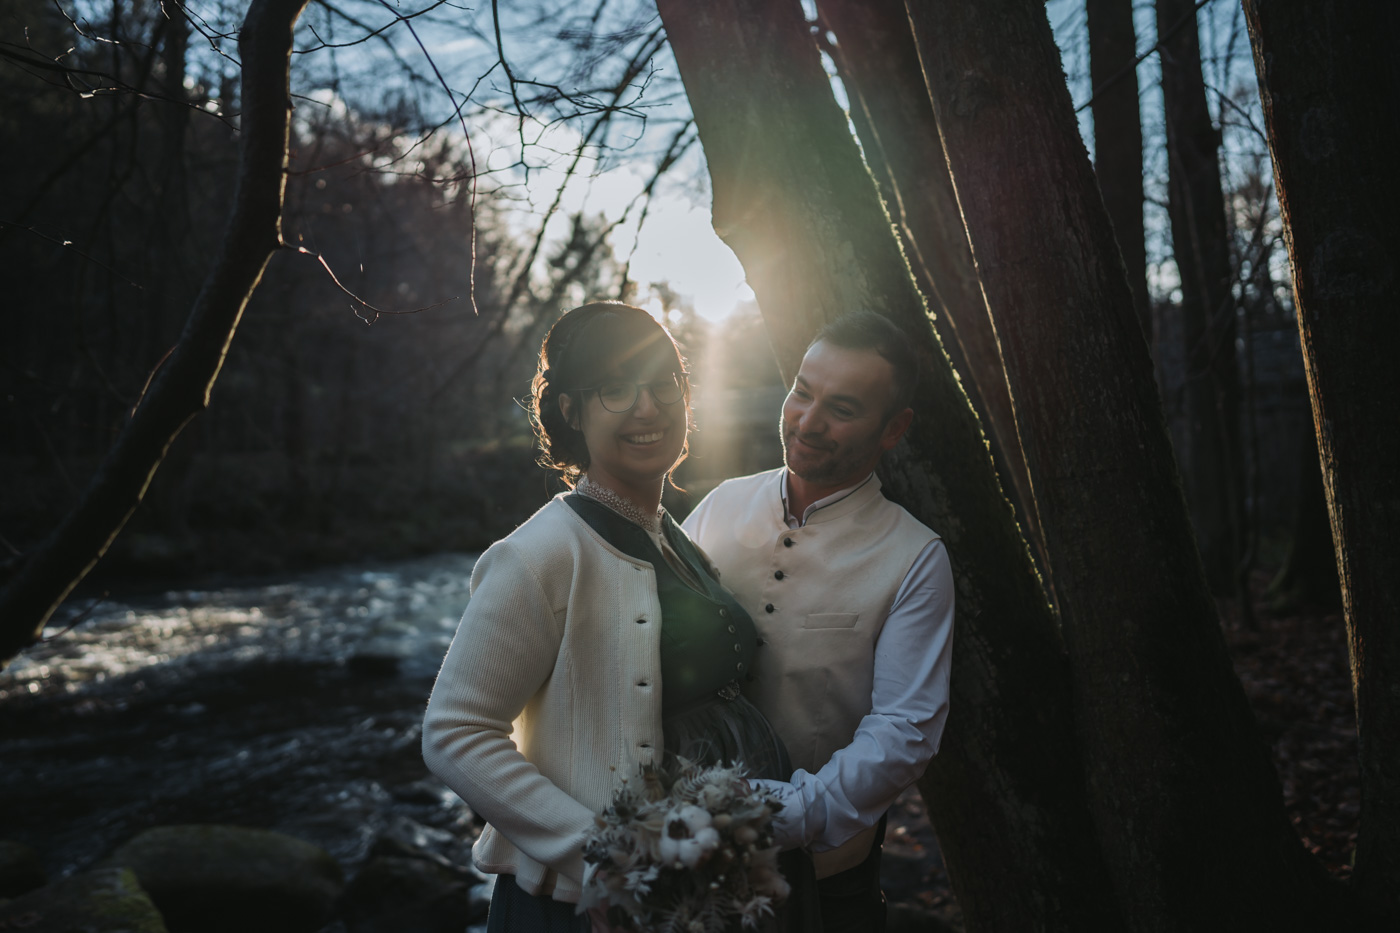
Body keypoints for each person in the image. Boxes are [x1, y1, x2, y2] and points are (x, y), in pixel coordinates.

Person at [422, 301, 818, 932]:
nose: (648, 407)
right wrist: (606, 852)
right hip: (589, 908)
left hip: (698, 889)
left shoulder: (669, 535)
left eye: (665, 383)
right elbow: (453, 731)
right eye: (614, 389)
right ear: (571, 411)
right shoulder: (540, 555)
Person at [682, 310, 955, 933]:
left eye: (843, 407)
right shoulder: (719, 504)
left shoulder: (915, 559)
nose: (808, 420)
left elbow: (906, 729)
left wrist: (794, 813)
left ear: (894, 429)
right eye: (802, 391)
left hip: (823, 888)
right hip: (680, 863)